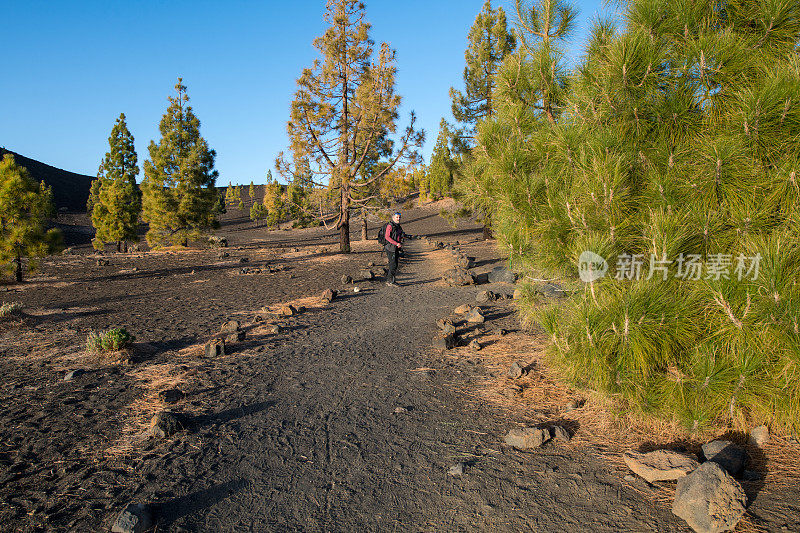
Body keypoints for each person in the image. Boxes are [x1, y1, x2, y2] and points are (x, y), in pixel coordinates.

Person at [383, 211, 411, 287]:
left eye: (399, 217)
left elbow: (400, 235)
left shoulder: (398, 226)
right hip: (390, 248)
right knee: (393, 264)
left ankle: (391, 280)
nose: (398, 218)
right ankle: (390, 281)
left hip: (395, 248)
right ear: (393, 218)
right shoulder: (390, 226)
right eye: (397, 217)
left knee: (395, 264)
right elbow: (387, 237)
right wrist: (396, 243)